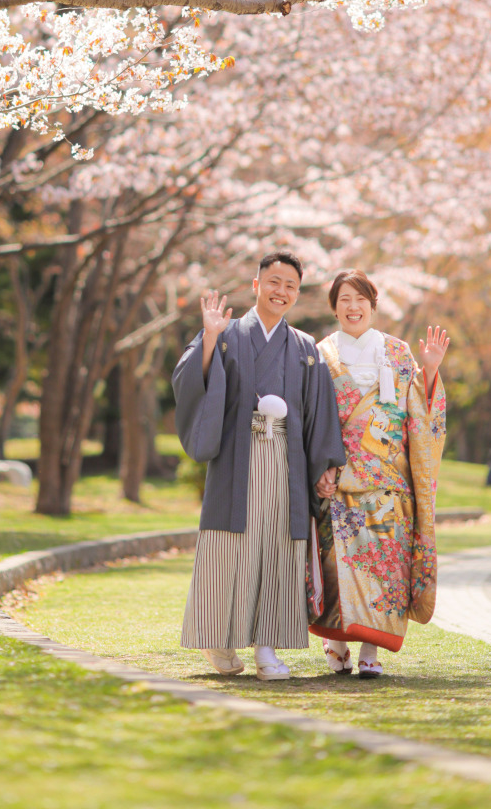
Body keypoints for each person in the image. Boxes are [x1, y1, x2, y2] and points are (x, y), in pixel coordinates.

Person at [173, 251, 345, 681]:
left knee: (276, 549)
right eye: (273, 282)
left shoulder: (305, 348)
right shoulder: (228, 334)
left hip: (285, 461)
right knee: (228, 548)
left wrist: (325, 463)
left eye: (290, 285)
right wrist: (210, 338)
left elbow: (319, 411)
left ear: (297, 293)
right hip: (237, 455)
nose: (281, 291)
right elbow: (190, 378)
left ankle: (266, 646)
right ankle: (218, 638)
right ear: (256, 284)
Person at [310, 270, 449, 679]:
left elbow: (419, 415)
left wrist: (430, 371)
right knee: (338, 568)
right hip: (338, 478)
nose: (353, 307)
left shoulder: (398, 351)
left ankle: (372, 649)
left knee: (384, 569)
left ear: (373, 304)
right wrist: (321, 467)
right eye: (344, 300)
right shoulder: (321, 354)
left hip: (389, 482)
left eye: (360, 300)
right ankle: (336, 642)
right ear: (334, 307)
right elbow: (313, 419)